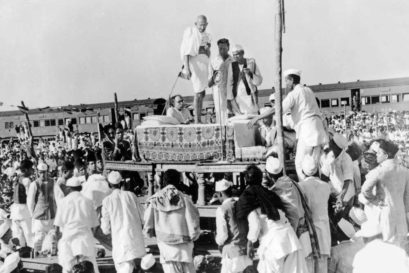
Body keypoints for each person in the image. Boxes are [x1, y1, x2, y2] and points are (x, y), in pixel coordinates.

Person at [249, 69, 328, 180]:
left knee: (300, 164)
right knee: (313, 164)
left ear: (291, 80)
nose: (286, 85)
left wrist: (258, 117)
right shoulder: (308, 90)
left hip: (307, 131)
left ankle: (305, 189)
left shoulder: (294, 94)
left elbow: (276, 109)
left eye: (286, 81)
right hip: (318, 130)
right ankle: (316, 187)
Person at [235, 165, 308, 273]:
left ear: (246, 179)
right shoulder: (270, 193)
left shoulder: (248, 197)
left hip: (273, 243)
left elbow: (255, 225)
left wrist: (250, 244)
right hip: (290, 238)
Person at [144, 169, 201, 273]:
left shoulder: (154, 200)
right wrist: (194, 236)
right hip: (184, 249)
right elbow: (193, 223)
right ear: (178, 181)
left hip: (166, 249)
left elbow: (148, 227)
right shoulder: (185, 199)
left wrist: (152, 234)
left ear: (163, 181)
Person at [359, 139, 409, 249]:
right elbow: (407, 197)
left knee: (387, 245)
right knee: (401, 247)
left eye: (379, 153)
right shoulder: (405, 171)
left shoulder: (379, 170)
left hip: (385, 211)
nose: (376, 155)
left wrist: (375, 201)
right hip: (401, 213)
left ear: (386, 155)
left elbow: (365, 190)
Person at [101, 171, 146, 273]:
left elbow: (105, 229)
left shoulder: (107, 201)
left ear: (109, 185)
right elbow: (143, 217)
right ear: (121, 183)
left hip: (121, 246)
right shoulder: (132, 196)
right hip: (136, 245)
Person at [54, 177, 100, 273]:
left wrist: (57, 238)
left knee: (66, 267)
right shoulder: (88, 201)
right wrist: (91, 236)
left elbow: (57, 226)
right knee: (90, 267)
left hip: (68, 239)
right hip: (85, 238)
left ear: (68, 188)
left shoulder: (63, 201)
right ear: (80, 188)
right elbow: (95, 225)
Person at [298, 155, 331, 273]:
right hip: (323, 229)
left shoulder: (300, 186)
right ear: (317, 170)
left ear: (303, 171)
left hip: (308, 230)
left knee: (309, 264)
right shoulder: (326, 186)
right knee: (322, 264)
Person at [214, 178, 253, 273]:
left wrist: (218, 241)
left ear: (220, 194)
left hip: (231, 253)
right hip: (245, 251)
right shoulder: (242, 204)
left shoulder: (222, 209)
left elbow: (223, 236)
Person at [180, 15, 211, 123]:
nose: (202, 27)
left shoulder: (207, 36)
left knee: (202, 93)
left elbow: (208, 53)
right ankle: (197, 119)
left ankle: (198, 117)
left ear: (207, 24)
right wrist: (187, 69)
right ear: (196, 24)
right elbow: (187, 53)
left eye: (204, 25)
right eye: (200, 25)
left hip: (204, 64)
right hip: (195, 64)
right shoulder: (193, 35)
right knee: (198, 92)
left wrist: (207, 50)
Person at [263, 156, 304, 232]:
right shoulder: (292, 182)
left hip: (293, 228)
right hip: (302, 224)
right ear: (282, 170)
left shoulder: (276, 189)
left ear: (267, 174)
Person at [27, 162, 56, 256]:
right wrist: (33, 214)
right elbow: (30, 201)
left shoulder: (53, 182)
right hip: (39, 215)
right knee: (39, 237)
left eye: (44, 172)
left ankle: (51, 255)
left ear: (47, 172)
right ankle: (36, 255)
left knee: (52, 236)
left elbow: (57, 197)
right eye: (41, 172)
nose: (43, 174)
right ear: (37, 172)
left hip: (51, 214)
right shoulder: (34, 184)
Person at [228, 45, 263, 115]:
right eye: (233, 55)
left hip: (250, 98)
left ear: (242, 53)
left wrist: (250, 73)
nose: (235, 57)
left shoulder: (251, 63)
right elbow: (229, 84)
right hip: (238, 100)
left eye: (237, 54)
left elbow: (259, 81)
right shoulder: (231, 66)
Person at [208, 38, 235, 125]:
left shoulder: (234, 61)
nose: (222, 51)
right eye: (220, 48)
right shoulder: (213, 62)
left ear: (228, 48)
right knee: (220, 116)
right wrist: (214, 76)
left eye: (224, 48)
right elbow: (209, 83)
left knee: (232, 116)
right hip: (218, 92)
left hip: (231, 92)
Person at [10, 159, 33, 248]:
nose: (32, 171)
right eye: (31, 169)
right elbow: (30, 197)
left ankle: (20, 249)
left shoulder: (17, 177)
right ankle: (32, 250)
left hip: (15, 209)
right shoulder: (26, 180)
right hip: (23, 208)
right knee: (28, 231)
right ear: (26, 169)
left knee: (18, 232)